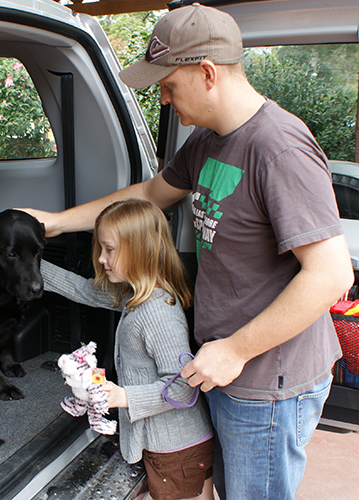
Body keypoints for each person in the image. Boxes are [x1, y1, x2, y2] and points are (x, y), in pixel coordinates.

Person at [22, 4, 355, 500]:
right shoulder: (207, 143)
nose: (163, 96)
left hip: (266, 379)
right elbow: (149, 196)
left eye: (168, 84)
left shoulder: (278, 148)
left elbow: (330, 275)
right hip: (223, 366)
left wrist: (236, 350)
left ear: (206, 73)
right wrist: (53, 223)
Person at [43, 198, 214, 500]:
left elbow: (183, 387)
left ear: (140, 251)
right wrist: (31, 267)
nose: (100, 258)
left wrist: (123, 396)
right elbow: (84, 291)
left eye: (109, 250)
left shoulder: (158, 312)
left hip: (176, 448)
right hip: (167, 445)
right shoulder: (134, 296)